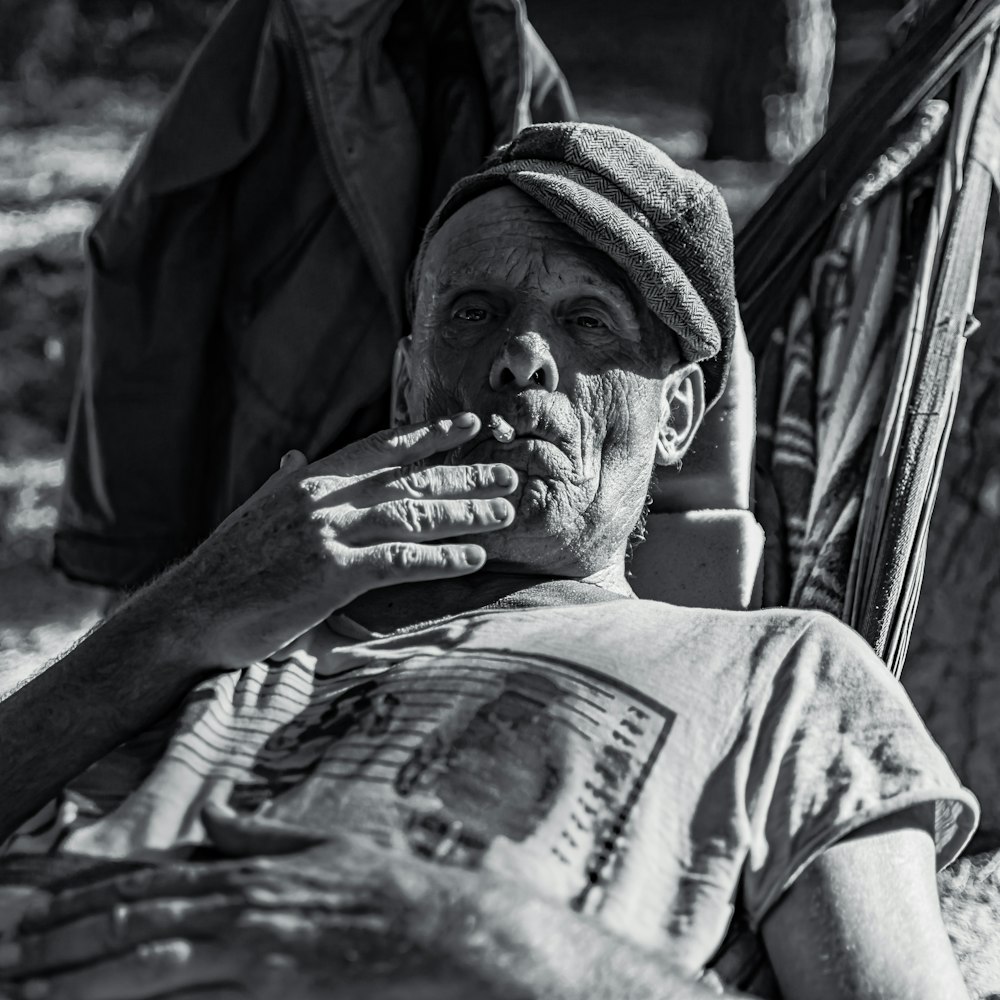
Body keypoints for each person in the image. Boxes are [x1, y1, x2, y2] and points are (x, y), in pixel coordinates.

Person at [0, 123, 978, 1000]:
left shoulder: (783, 676)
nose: (519, 357)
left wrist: (495, 947)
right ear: (403, 384)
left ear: (676, 414)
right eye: (473, 311)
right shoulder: (221, 624)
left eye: (585, 320)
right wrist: (183, 612)